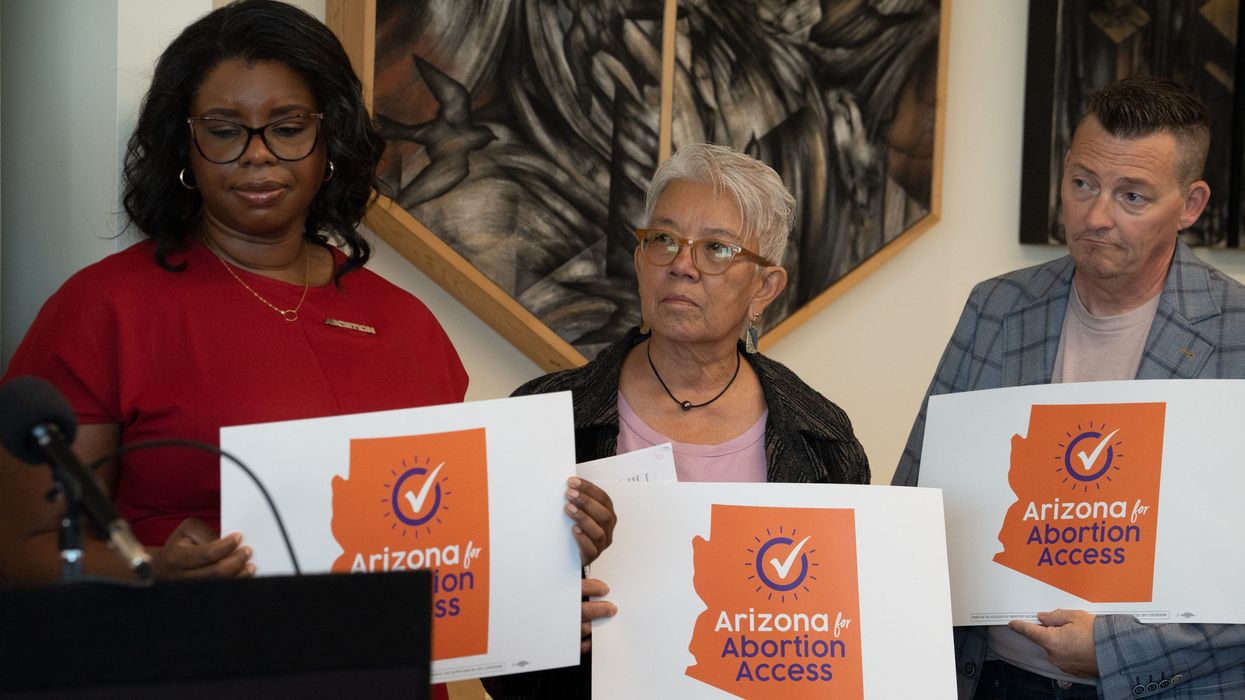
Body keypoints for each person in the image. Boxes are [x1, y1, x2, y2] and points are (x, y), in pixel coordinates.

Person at [0, 0, 612, 607]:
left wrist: (557, 541)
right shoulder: (106, 309)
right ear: (183, 146)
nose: (257, 152)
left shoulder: (405, 322)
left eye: (288, 127)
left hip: (394, 669)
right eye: (223, 130)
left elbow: (449, 537)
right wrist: (151, 571)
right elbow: (21, 547)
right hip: (196, 663)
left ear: (329, 142)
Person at [894, 77, 1245, 699]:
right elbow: (918, 500)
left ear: (1190, 205)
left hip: (1164, 688)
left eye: (1132, 196)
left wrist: (1113, 651)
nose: (1096, 216)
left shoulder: (1236, 333)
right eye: (1082, 183)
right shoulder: (997, 308)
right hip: (996, 678)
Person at [485, 142, 871, 698]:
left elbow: (846, 635)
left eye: (716, 249)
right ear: (640, 260)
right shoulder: (544, 420)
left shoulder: (822, 435)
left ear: (764, 288)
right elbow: (491, 643)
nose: (682, 265)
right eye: (663, 240)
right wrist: (542, 621)